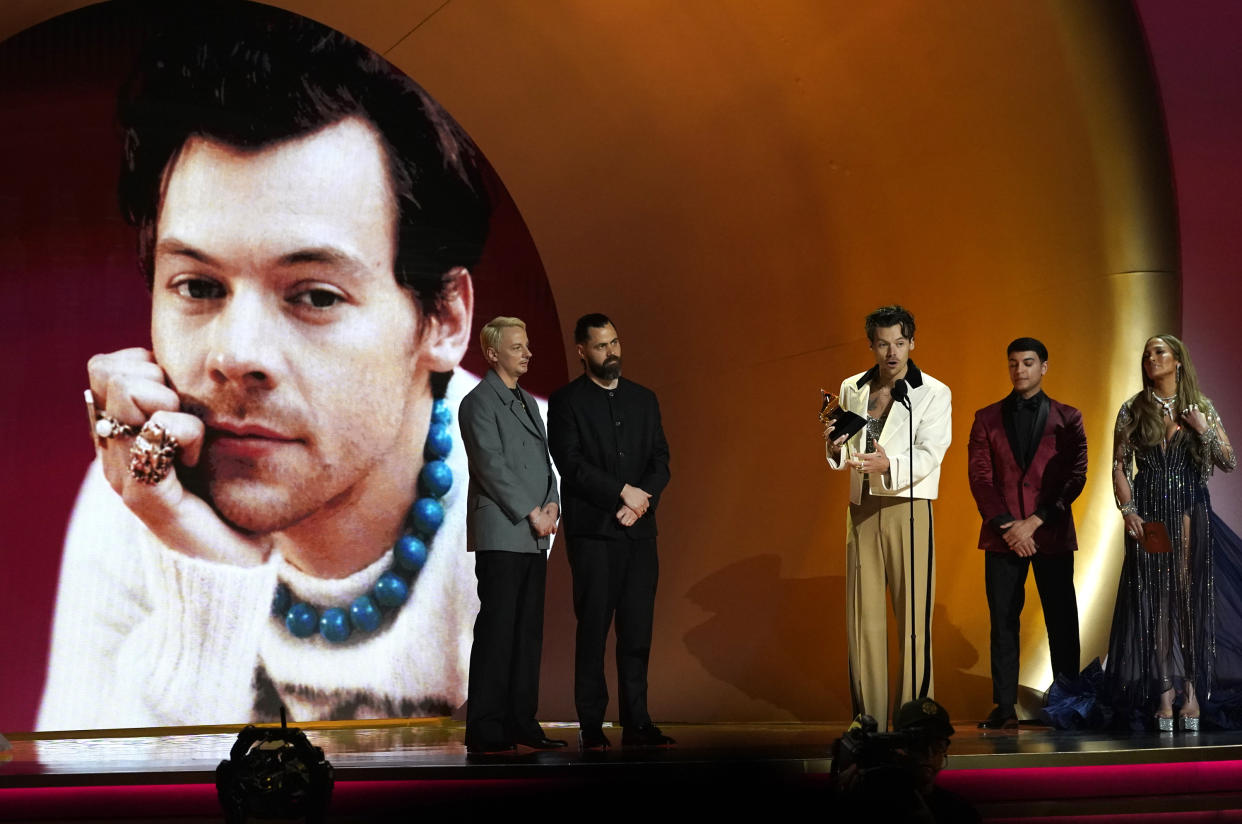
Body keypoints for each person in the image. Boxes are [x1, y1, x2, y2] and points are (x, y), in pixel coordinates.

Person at [38, 7, 492, 729]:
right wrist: (202, 573)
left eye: (314, 295)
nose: (235, 355)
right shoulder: (139, 491)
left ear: (443, 320)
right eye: (199, 287)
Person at [823, 305, 952, 731]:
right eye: (883, 343)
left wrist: (889, 465)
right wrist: (833, 446)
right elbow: (844, 449)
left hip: (907, 505)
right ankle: (869, 717)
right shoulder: (852, 388)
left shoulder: (932, 392)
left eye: (899, 342)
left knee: (914, 618)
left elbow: (932, 453)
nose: (892, 352)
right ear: (872, 345)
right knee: (864, 618)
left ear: (912, 342)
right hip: (861, 507)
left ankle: (915, 716)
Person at [547, 313, 673, 749]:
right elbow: (571, 463)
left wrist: (640, 502)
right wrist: (622, 493)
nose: (612, 352)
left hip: (639, 534)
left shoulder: (644, 399)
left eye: (615, 343)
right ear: (582, 351)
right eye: (601, 346)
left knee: (638, 632)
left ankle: (637, 721)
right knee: (594, 630)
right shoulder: (566, 402)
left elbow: (661, 461)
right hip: (594, 535)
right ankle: (591, 725)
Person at [1104, 334, 1235, 730]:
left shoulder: (1200, 407)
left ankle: (1192, 693)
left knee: (1188, 600)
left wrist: (1202, 429)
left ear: (1178, 361)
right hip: (1152, 518)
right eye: (1146, 355)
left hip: (1191, 514)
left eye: (1159, 352)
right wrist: (1128, 512)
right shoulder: (1132, 409)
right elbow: (1118, 466)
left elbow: (1227, 461)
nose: (1151, 359)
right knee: (1156, 603)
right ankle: (1163, 692)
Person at [967, 338, 1087, 729]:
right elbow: (981, 479)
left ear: (1044, 367)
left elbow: (1074, 477)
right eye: (1013, 364)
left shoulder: (1069, 417)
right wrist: (1008, 526)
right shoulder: (985, 418)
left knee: (1062, 620)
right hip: (1002, 537)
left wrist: (1034, 522)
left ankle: (1067, 704)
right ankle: (1004, 708)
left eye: (1028, 363)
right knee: (1002, 621)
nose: (1020, 370)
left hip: (1049, 533)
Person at [458, 317, 563, 753]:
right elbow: (491, 465)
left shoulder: (526, 403)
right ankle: (486, 725)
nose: (528, 353)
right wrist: (531, 511)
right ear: (493, 352)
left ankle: (522, 720)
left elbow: (545, 461)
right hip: (504, 530)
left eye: (527, 345)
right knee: (499, 629)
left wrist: (554, 501)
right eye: (517, 347)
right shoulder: (479, 401)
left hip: (535, 533)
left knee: (527, 632)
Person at [829, 698, 980, 823]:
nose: (928, 753)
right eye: (919, 744)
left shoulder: (960, 812)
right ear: (897, 746)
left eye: (937, 745)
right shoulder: (868, 806)